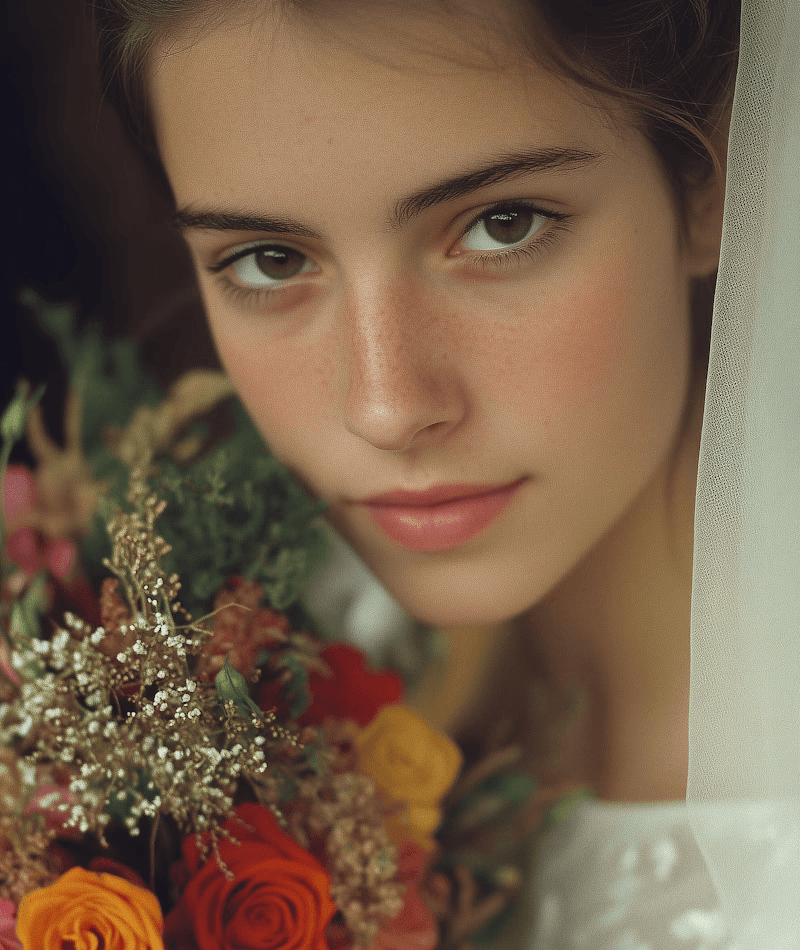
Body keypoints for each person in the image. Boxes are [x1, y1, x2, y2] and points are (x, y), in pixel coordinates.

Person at [88, 0, 800, 947]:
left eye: (503, 226)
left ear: (713, 186)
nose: (384, 408)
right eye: (270, 259)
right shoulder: (271, 684)